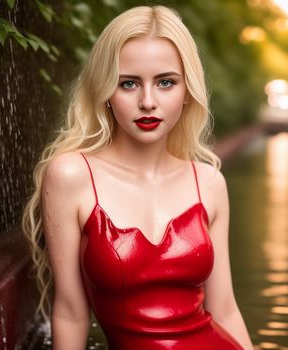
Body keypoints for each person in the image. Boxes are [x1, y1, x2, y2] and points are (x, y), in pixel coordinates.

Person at [22, 5, 254, 350]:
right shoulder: (71, 176)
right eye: (128, 83)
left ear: (187, 90)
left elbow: (225, 309)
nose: (148, 101)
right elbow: (71, 313)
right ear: (106, 93)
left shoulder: (208, 182)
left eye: (166, 82)